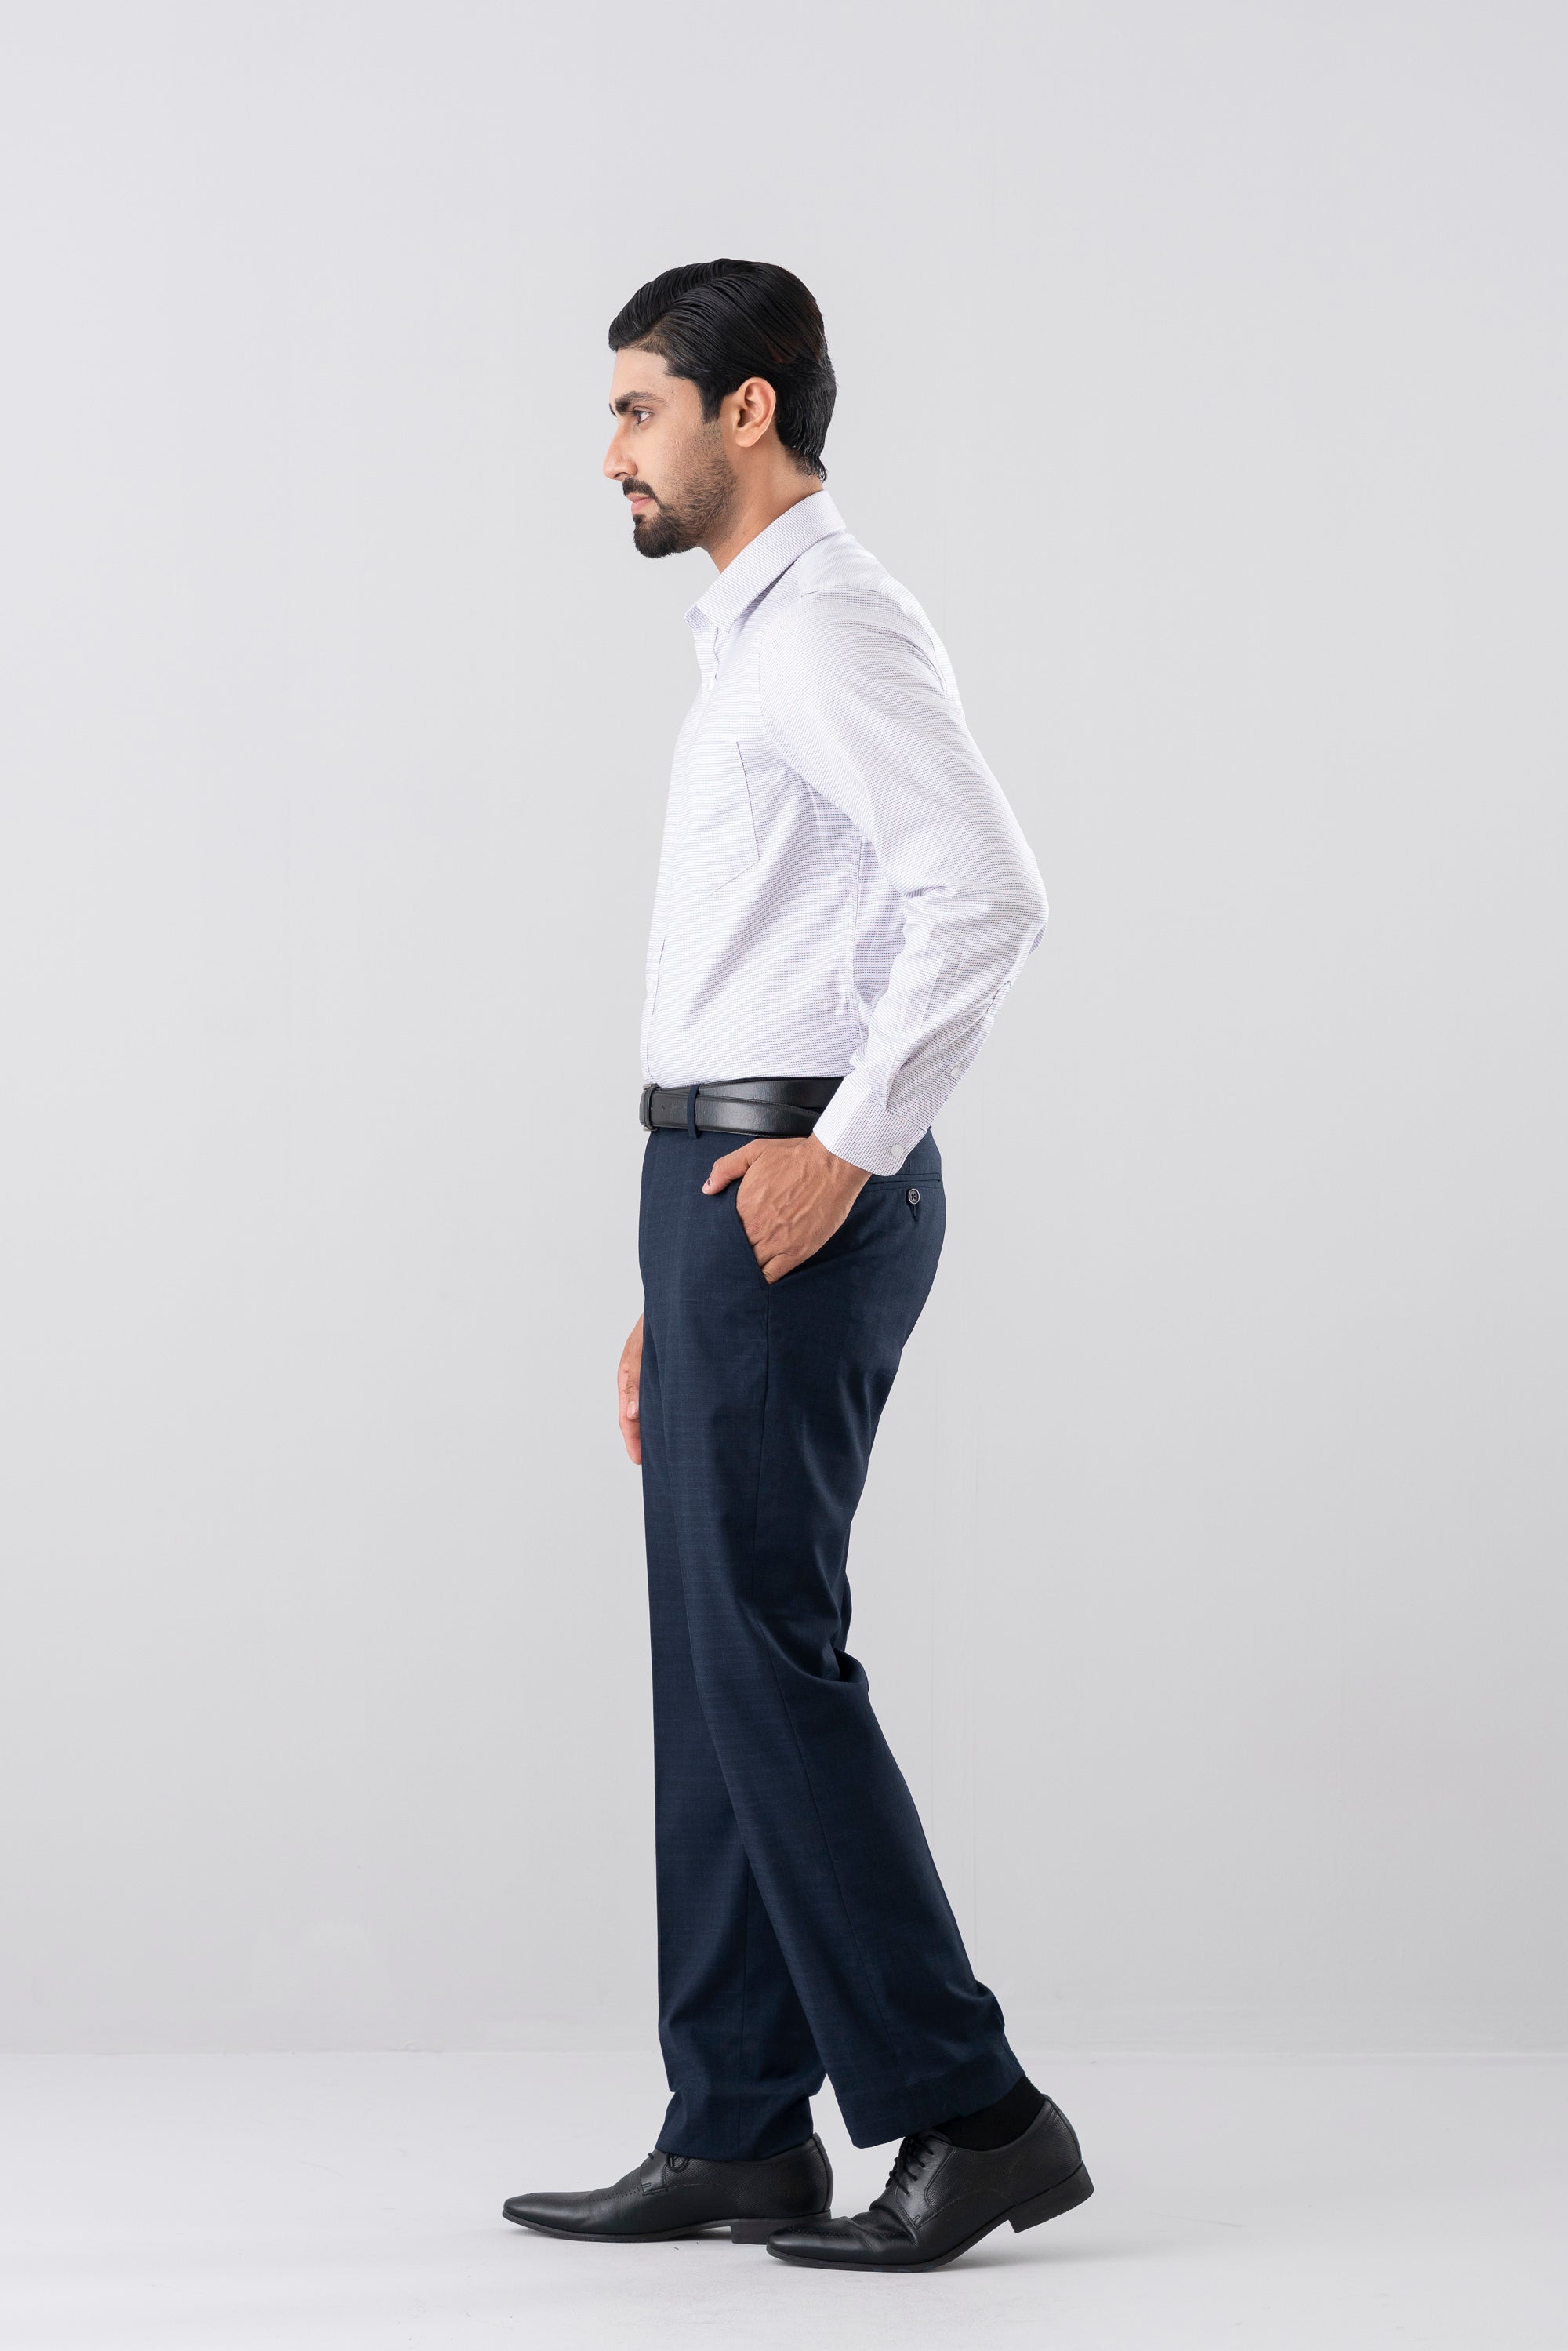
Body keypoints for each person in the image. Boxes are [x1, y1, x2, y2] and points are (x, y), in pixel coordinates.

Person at [502, 260, 1091, 2273]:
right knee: (715, 1660)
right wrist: (674, 1277)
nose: (612, 451)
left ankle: (973, 2111)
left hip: (793, 1179)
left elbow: (984, 890)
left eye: (636, 409)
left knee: (763, 1649)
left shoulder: (829, 624)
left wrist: (844, 1153)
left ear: (744, 411)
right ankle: (739, 2126)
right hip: (716, 1189)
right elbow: (782, 949)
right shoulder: (749, 635)